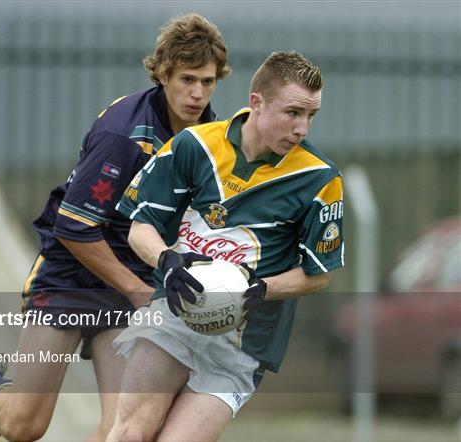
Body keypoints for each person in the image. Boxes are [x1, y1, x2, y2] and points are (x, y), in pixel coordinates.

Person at [0, 13, 231, 442]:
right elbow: (74, 229)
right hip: (73, 272)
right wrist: (137, 289)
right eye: (187, 79)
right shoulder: (122, 135)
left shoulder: (210, 138)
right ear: (162, 74)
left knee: (123, 428)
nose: (197, 93)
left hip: (135, 276)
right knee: (24, 425)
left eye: (208, 81)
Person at [108, 50, 344, 441]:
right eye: (292, 113)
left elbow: (319, 275)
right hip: (174, 314)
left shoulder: (319, 177)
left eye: (310, 116)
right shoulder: (194, 145)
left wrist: (263, 287)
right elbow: (140, 228)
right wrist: (167, 260)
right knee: (131, 432)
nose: (302, 128)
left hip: (244, 343)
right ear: (257, 102)